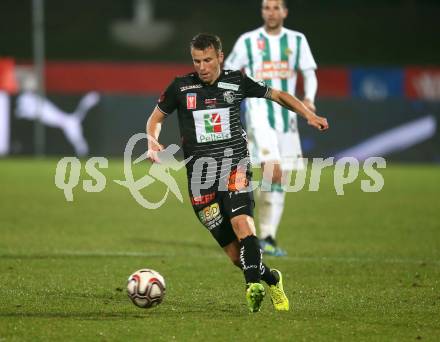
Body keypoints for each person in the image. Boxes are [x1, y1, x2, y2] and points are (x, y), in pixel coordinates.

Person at [146, 33, 328, 313]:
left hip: (235, 167)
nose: (202, 67)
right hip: (200, 180)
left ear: (220, 57)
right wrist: (152, 140)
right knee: (235, 256)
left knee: (244, 226)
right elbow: (156, 119)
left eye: (208, 60)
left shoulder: (237, 81)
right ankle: (271, 278)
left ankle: (251, 285)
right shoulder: (180, 88)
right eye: (197, 61)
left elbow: (277, 95)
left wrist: (308, 115)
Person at [225, 0, 318, 256]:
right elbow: (230, 70)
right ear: (262, 11)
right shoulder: (248, 41)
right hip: (259, 113)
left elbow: (309, 73)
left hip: (287, 117)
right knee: (272, 170)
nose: (272, 12)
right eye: (267, 7)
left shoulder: (297, 40)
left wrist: (308, 100)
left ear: (285, 12)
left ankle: (266, 236)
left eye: (277, 7)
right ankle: (253, 231)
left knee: (279, 178)